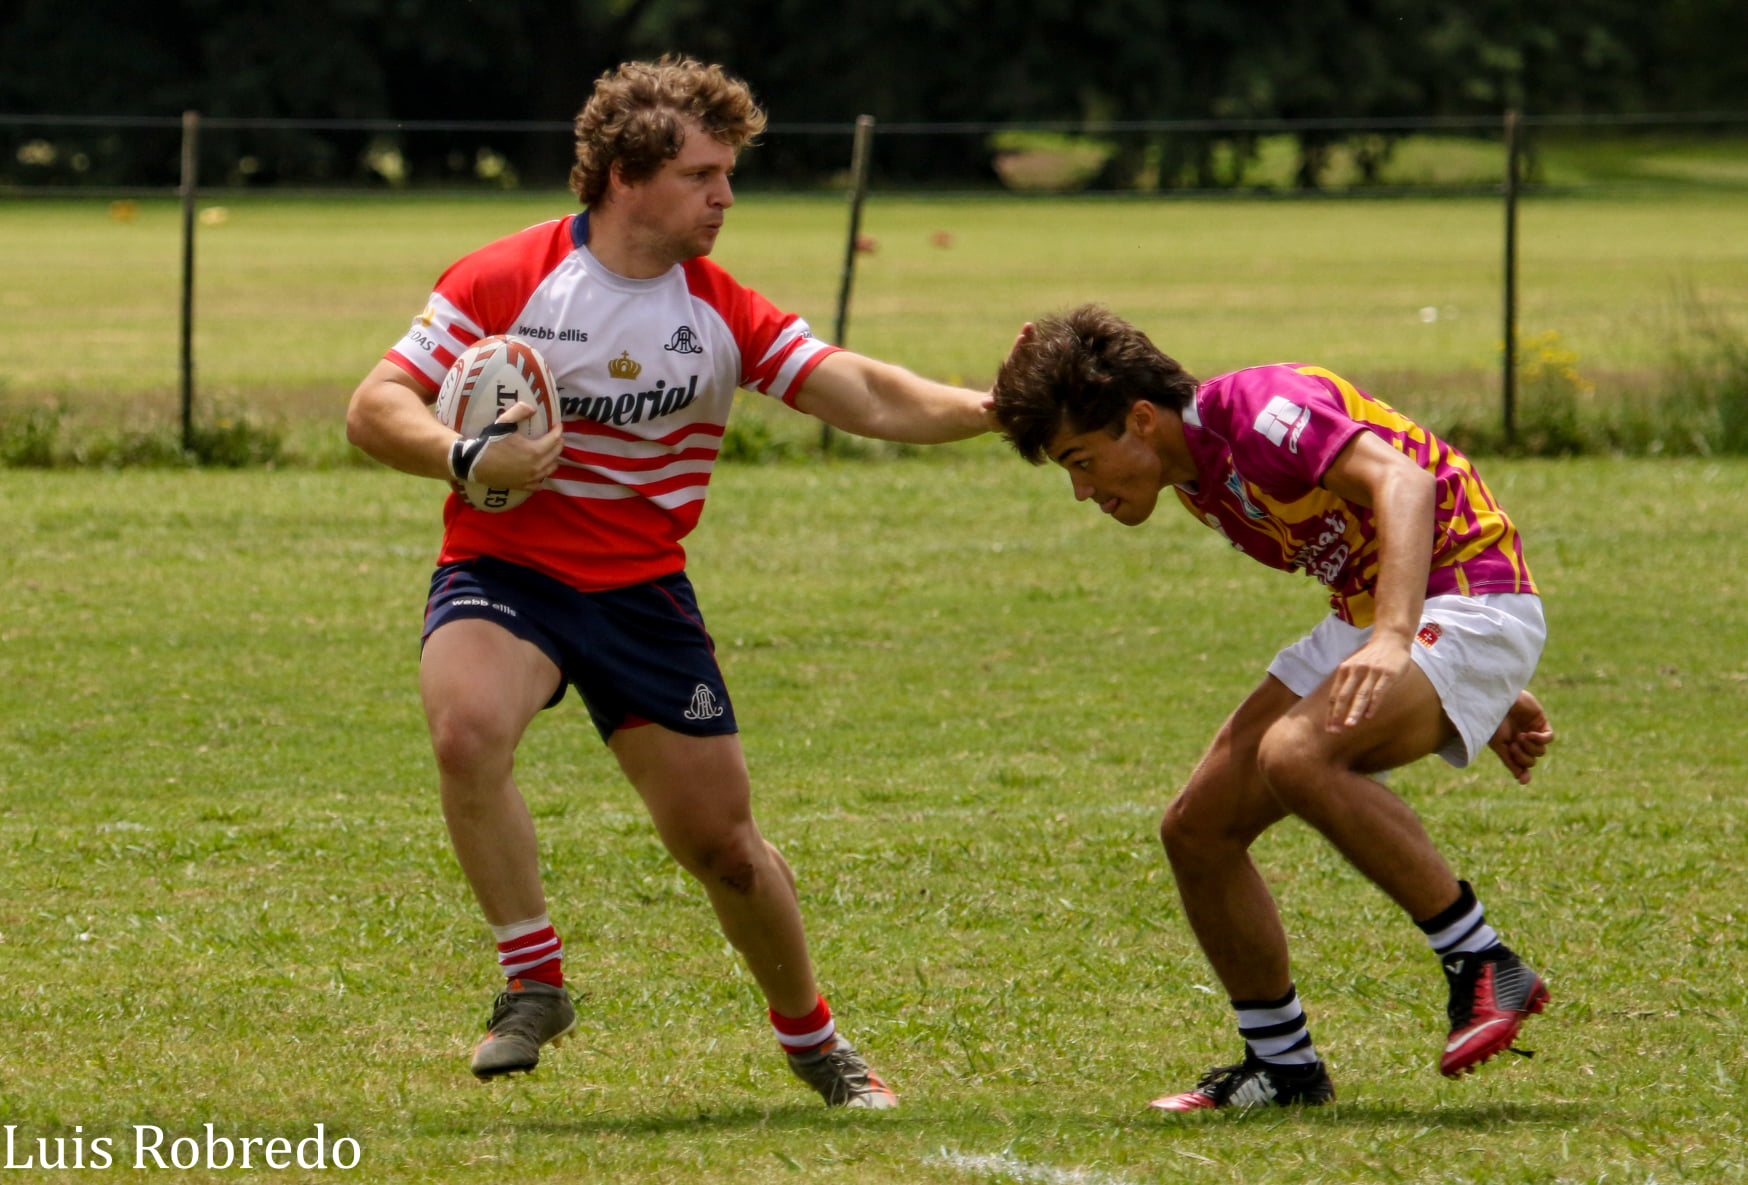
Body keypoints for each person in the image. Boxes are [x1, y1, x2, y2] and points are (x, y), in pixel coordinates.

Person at [346, 56, 990, 1109]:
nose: (725, 196)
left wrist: (994, 408)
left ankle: (812, 1039)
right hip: (504, 568)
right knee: (466, 730)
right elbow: (377, 404)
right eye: (702, 175)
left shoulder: (717, 308)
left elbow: (862, 393)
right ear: (624, 177)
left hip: (642, 594)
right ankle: (533, 979)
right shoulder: (504, 279)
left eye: (727, 174)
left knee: (723, 849)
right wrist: (466, 460)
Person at [990, 304, 1554, 1111]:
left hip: (1464, 591)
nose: (1083, 491)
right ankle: (1282, 1064)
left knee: (1295, 754)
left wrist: (1401, 638)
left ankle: (1482, 960)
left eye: (1081, 460)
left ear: (1140, 420)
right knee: (1197, 827)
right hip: (1386, 613)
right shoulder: (1191, 468)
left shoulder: (1260, 411)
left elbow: (1405, 481)